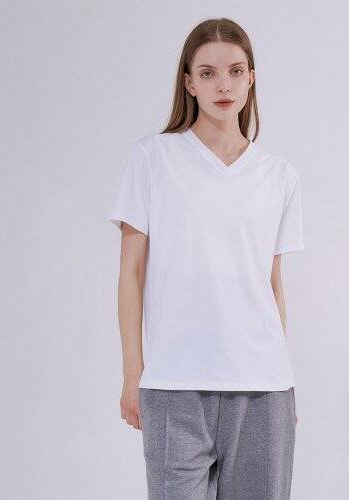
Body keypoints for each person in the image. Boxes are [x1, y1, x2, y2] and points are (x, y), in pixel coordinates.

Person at [107, 17, 305, 500]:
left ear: (251, 78)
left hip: (263, 388)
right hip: (174, 384)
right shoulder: (152, 159)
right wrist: (133, 373)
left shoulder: (278, 175)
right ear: (189, 82)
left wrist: (280, 374)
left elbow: (272, 283)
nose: (224, 85)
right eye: (208, 73)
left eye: (235, 71)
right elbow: (131, 272)